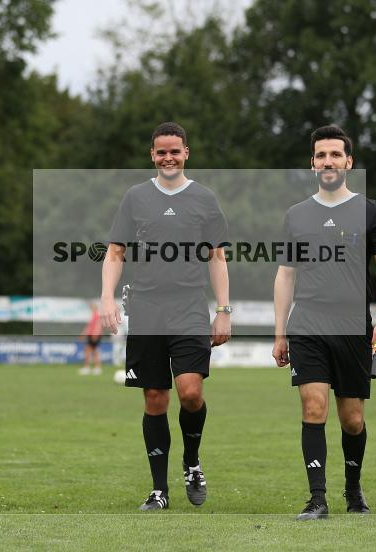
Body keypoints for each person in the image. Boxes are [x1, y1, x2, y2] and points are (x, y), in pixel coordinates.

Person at [99, 121, 231, 512]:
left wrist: (223, 311)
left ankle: (192, 461)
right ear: (152, 155)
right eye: (161, 152)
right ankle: (159, 491)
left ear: (186, 152)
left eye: (175, 151)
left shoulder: (204, 198)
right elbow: (115, 252)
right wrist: (106, 297)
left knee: (190, 392)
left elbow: (217, 257)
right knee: (155, 397)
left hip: (189, 306)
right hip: (146, 308)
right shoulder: (135, 197)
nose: (168, 157)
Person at [272, 124, 376, 520]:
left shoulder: (370, 212)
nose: (328, 162)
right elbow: (285, 274)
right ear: (313, 164)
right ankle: (317, 499)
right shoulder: (296, 215)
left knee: (353, 419)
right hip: (307, 324)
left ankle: (353, 488)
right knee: (314, 407)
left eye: (335, 155)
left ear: (348, 162)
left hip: (353, 327)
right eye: (321, 155)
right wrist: (280, 332)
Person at [79, 302, 103, 375]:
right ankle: (96, 368)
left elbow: (98, 326)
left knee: (89, 350)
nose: (91, 308)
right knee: (93, 351)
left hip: (94, 335)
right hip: (92, 335)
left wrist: (95, 334)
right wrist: (83, 334)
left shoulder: (97, 315)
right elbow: (89, 327)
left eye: (92, 307)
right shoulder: (93, 315)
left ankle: (88, 368)